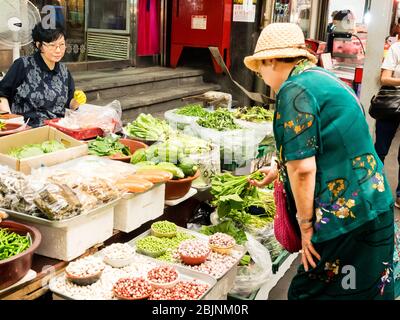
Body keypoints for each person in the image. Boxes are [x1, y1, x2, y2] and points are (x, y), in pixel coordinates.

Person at [244, 23, 395, 300]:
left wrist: (305, 227)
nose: (261, 77)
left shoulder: (293, 90)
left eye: (260, 69)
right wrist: (279, 168)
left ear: (271, 60)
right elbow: (328, 140)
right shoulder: (325, 80)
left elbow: (303, 169)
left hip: (344, 217)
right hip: (373, 203)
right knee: (360, 289)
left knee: (311, 293)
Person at [0, 22, 80, 128]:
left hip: (59, 127)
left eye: (61, 45)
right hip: (27, 128)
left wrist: (76, 101)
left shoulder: (64, 71)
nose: (58, 50)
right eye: (52, 45)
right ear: (39, 45)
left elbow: (69, 104)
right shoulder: (23, 65)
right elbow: (2, 93)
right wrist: (10, 120)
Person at [377, 38, 400, 208]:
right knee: (380, 150)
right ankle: (374, 188)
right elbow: (385, 78)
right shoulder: (396, 48)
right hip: (391, 105)